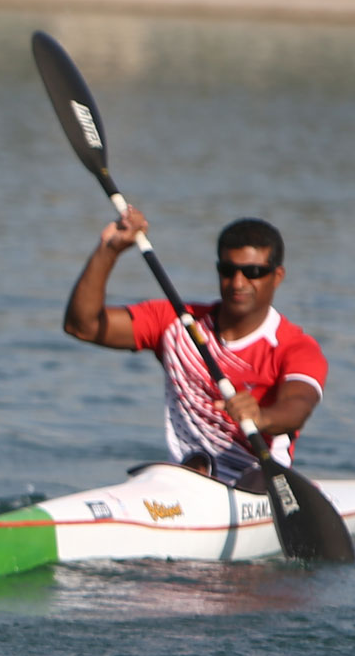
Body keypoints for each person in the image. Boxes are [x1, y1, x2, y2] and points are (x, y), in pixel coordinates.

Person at [63, 205, 326, 489]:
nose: (238, 283)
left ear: (277, 276)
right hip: (184, 482)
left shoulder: (295, 347)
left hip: (258, 485)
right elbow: (82, 325)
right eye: (229, 270)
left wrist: (262, 417)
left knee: (256, 478)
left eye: (252, 272)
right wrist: (109, 250)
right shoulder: (177, 323)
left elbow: (298, 406)